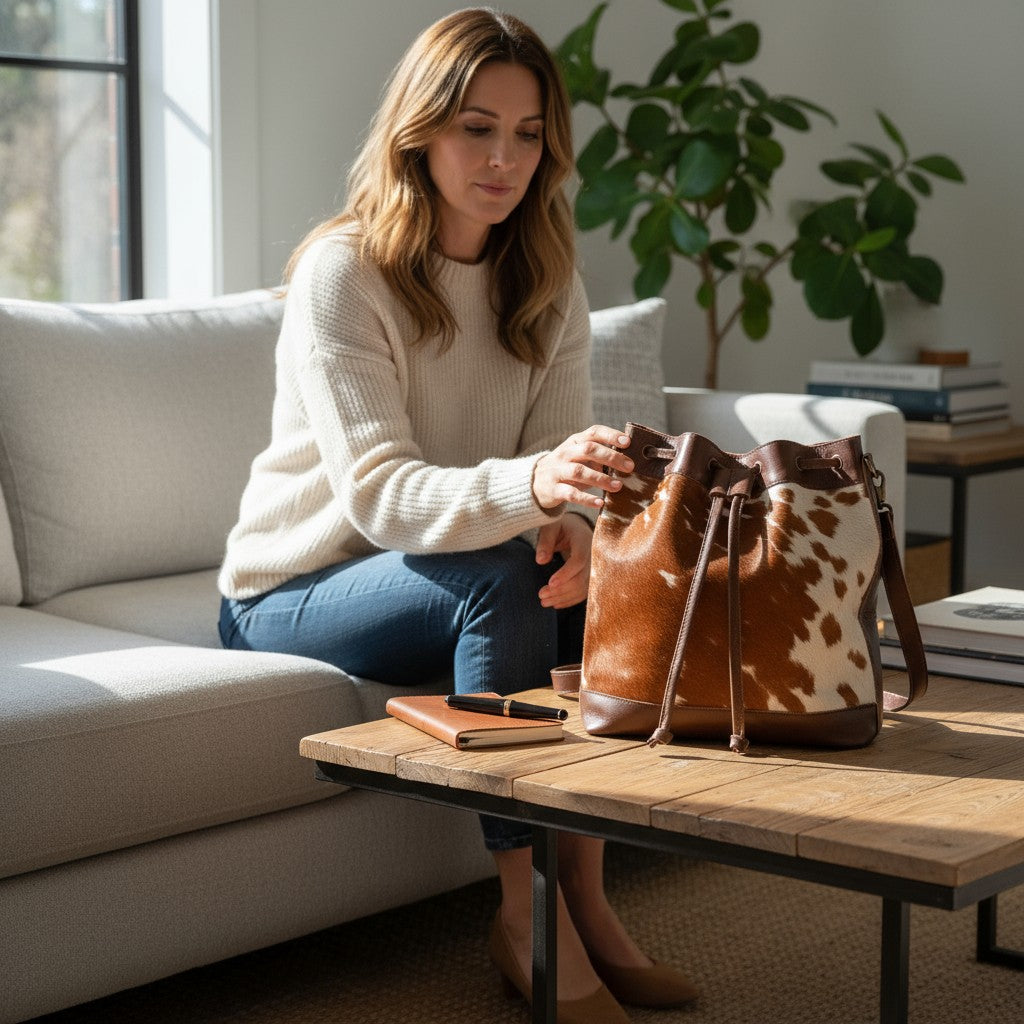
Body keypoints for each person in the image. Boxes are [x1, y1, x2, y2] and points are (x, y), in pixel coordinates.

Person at [217, 8, 698, 1022]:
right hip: (294, 587)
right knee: (498, 578)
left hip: (440, 565)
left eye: (527, 135)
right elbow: (381, 494)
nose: (503, 160)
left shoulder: (549, 280)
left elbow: (559, 473)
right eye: (477, 128)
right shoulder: (346, 272)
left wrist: (575, 530)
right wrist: (537, 489)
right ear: (420, 131)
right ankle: (525, 914)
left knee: (588, 576)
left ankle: (587, 897)